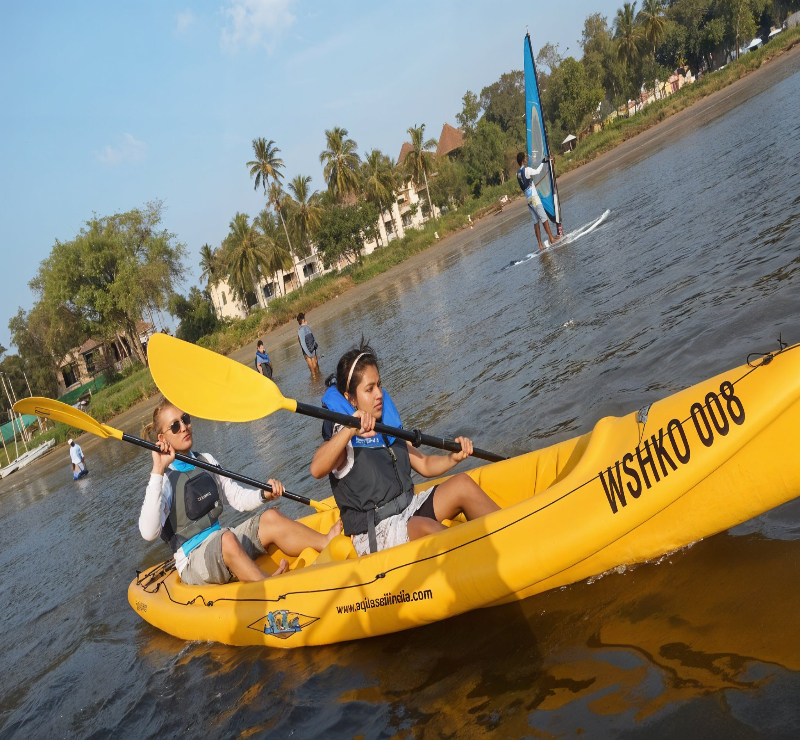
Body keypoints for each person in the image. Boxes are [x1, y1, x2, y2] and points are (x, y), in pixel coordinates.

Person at [310, 343, 500, 556]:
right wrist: (349, 429)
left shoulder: (386, 426)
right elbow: (317, 468)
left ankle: (510, 538)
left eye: (379, 385)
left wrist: (452, 458)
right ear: (350, 398)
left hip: (409, 508)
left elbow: (425, 464)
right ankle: (481, 563)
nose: (379, 394)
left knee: (463, 484)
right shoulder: (343, 439)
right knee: (426, 528)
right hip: (376, 531)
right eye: (369, 389)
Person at [139, 398, 342, 585]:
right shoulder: (163, 480)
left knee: (270, 516)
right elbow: (149, 533)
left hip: (221, 542)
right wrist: (157, 468)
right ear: (162, 437)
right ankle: (269, 586)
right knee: (227, 539)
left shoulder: (207, 461)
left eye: (185, 419)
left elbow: (236, 497)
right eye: (175, 426)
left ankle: (325, 541)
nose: (184, 427)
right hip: (193, 560)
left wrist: (264, 495)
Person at [516, 151, 560, 251]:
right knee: (544, 218)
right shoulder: (526, 170)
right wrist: (544, 161)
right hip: (534, 198)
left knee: (536, 222)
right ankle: (551, 239)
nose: (526, 160)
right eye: (525, 159)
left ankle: (540, 245)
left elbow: (525, 184)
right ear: (523, 160)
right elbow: (537, 171)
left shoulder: (517, 173)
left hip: (528, 200)